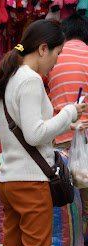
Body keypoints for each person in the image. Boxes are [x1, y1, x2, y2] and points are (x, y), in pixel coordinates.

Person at [0, 20, 88, 246]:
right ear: (42, 48)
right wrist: (68, 113)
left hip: (10, 179)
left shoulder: (7, 78)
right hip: (31, 183)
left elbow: (24, 131)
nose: (56, 61)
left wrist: (65, 122)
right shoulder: (30, 80)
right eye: (57, 53)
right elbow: (34, 133)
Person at [44, 14, 88, 147]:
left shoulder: (52, 56)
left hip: (60, 133)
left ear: (63, 34)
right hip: (86, 133)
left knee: (61, 168)